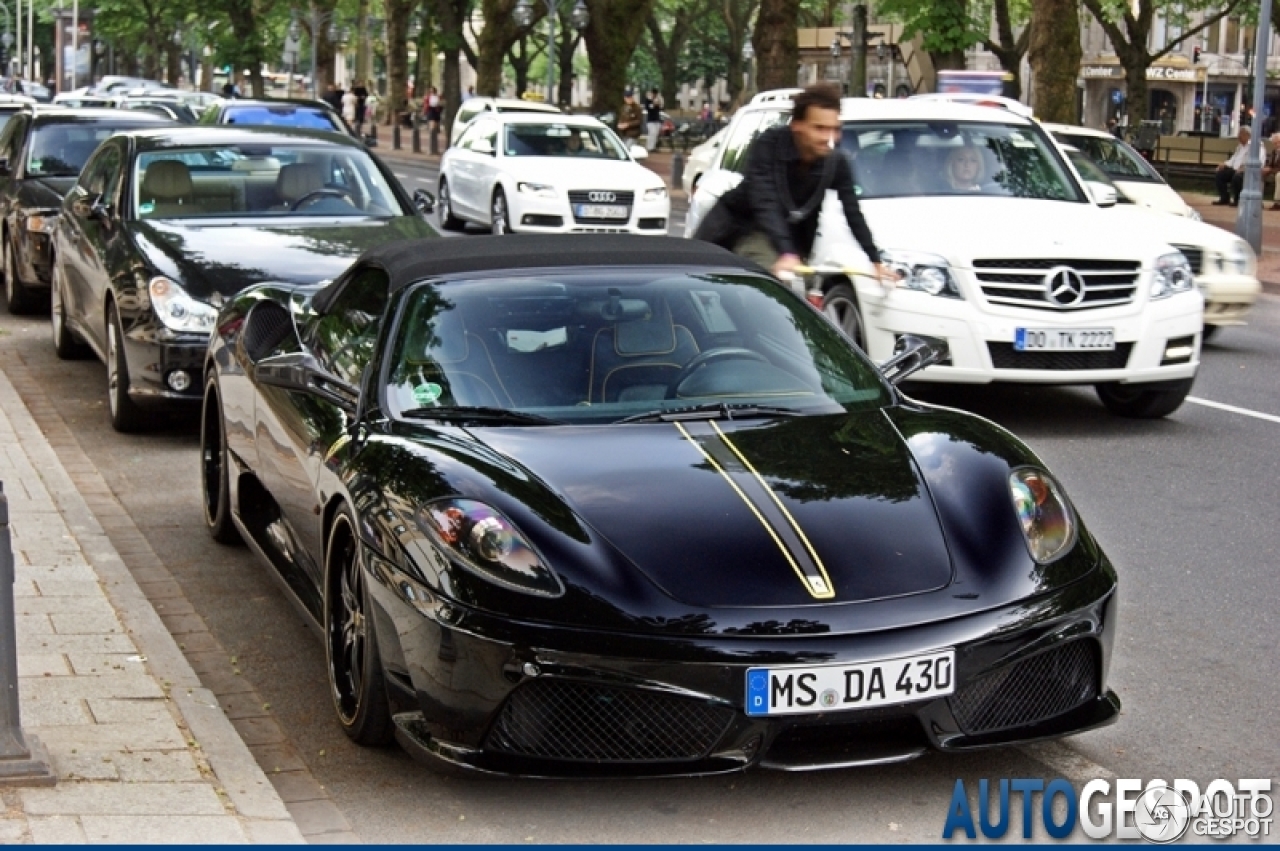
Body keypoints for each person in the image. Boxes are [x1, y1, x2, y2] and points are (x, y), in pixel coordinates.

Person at [694, 82, 893, 284]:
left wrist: (875, 260)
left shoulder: (835, 162)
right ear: (797, 125)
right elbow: (765, 202)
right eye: (820, 128)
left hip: (791, 241)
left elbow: (853, 212)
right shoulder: (770, 144)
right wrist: (787, 252)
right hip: (745, 229)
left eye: (835, 129)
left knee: (796, 291)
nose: (829, 138)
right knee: (769, 283)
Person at [1214, 126, 1251, 206]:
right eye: (1239, 134)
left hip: (1245, 171)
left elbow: (1259, 161)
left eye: (1241, 134)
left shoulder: (1254, 146)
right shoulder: (1240, 147)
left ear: (1247, 135)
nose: (1238, 136)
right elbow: (1233, 159)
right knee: (1220, 174)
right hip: (1234, 169)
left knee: (1237, 177)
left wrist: (1244, 168)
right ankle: (1224, 197)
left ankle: (1237, 199)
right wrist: (1224, 164)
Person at [1264, 132, 1280, 211]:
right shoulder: (1274, 151)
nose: (1276, 145)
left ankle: (1277, 202)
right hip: (1273, 172)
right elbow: (1270, 164)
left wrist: (1270, 169)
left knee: (1279, 176)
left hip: (1278, 173)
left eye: (1277, 143)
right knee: (1261, 174)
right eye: (1274, 143)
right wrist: (1267, 168)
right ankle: (1258, 199)